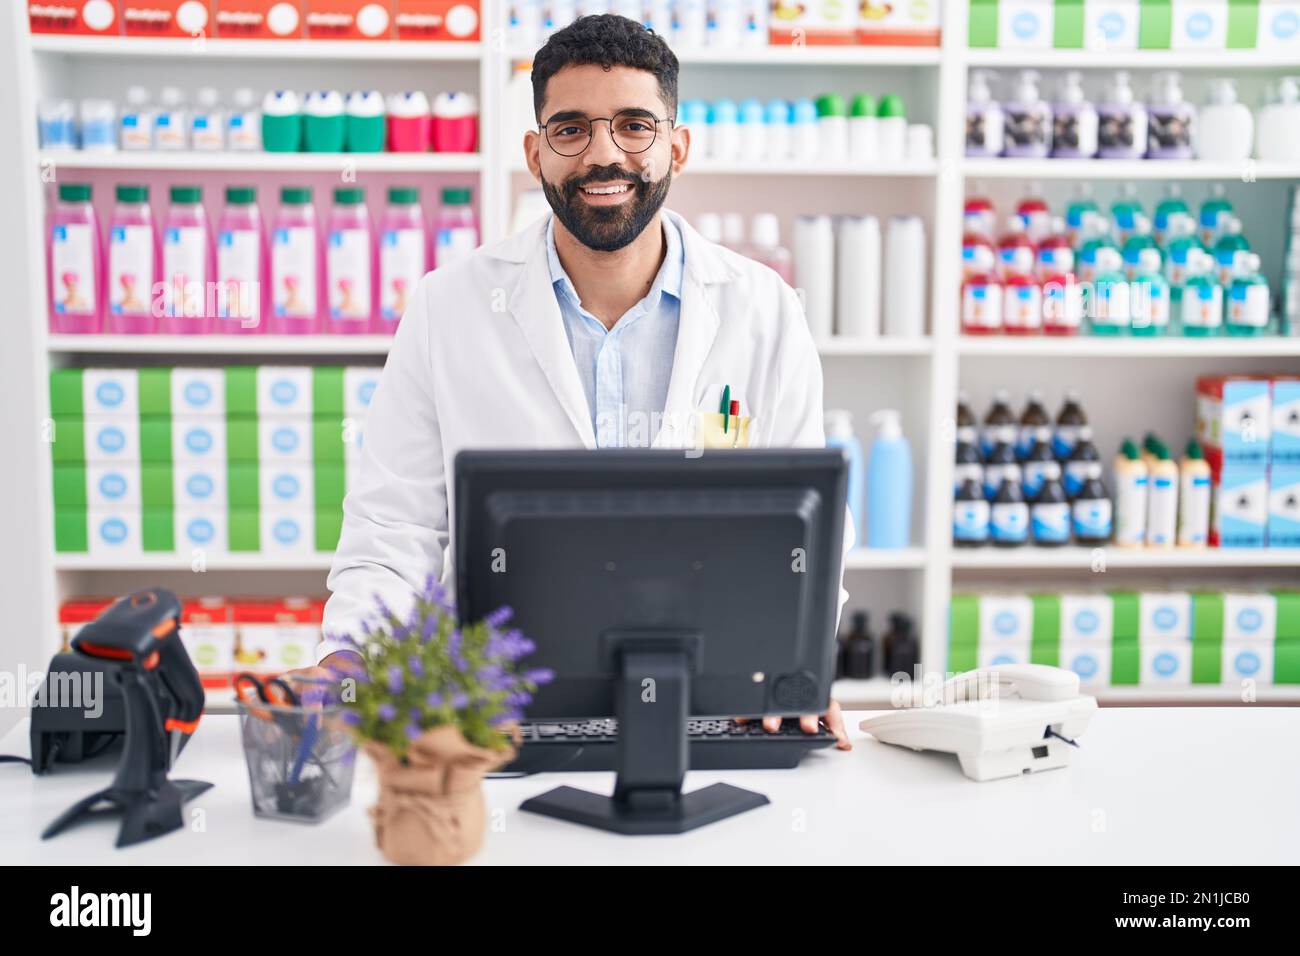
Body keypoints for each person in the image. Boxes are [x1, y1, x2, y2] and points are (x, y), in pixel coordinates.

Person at [311, 14, 851, 749]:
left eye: (634, 126)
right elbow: (392, 528)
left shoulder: (764, 309)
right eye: (570, 129)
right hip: (495, 718)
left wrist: (794, 667)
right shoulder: (448, 307)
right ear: (535, 153)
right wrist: (349, 657)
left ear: (677, 146)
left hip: (715, 707)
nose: (604, 156)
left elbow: (812, 534)